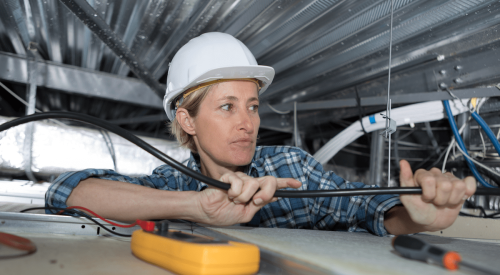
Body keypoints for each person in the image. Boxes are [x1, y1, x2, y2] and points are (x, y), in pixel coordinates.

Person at [45, 32, 476, 236]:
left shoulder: (290, 167)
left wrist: (411, 218)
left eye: (252, 106)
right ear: (188, 120)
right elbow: (67, 191)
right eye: (227, 106)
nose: (247, 122)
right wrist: (197, 206)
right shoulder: (173, 182)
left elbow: (366, 208)